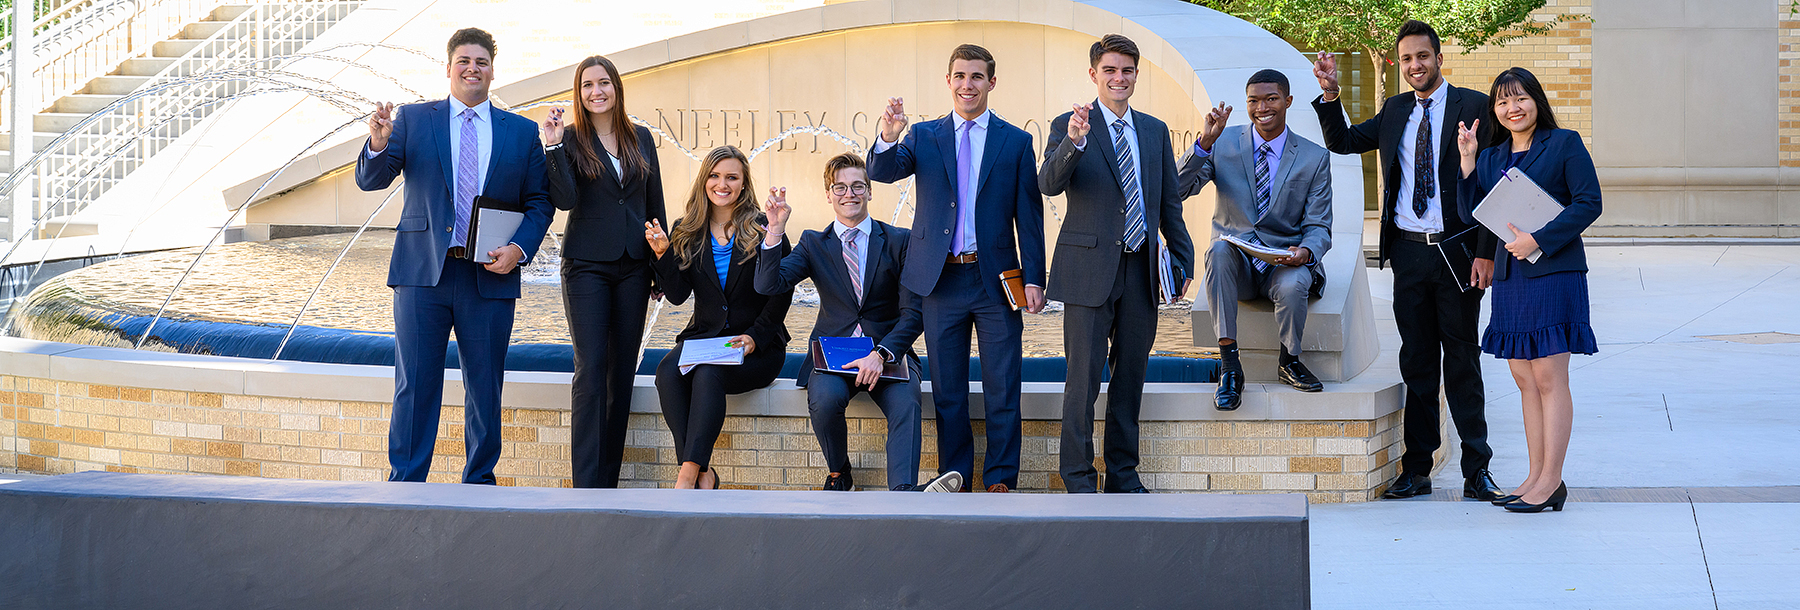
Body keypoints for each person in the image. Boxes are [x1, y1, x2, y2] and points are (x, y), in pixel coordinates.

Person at [1311, 20, 1505, 501]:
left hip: (1458, 253)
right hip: (1409, 254)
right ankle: (1416, 469)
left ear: (1440, 58)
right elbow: (1343, 142)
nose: (1415, 65)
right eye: (1406, 59)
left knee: (1462, 361)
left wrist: (1486, 252)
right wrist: (1332, 95)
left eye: (1423, 56)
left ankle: (1476, 470)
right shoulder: (1395, 108)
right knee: (1417, 361)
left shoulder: (1476, 107)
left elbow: (1495, 183)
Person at [356, 28, 554, 484]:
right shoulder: (412, 119)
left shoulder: (520, 132)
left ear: (491, 70)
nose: (472, 68)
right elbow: (372, 180)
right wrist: (379, 142)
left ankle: (479, 482)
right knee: (415, 384)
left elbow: (540, 202)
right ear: (448, 68)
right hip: (423, 272)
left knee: (484, 387)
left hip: (489, 275)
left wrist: (519, 249)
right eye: (464, 60)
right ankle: (406, 480)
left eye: (481, 61)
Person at [867, 44, 1047, 493]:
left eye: (977, 77)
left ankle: (1001, 479)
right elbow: (883, 172)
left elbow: (1030, 218)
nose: (968, 85)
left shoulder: (1016, 142)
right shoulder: (924, 136)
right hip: (939, 281)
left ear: (991, 82)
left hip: (996, 282)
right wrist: (889, 135)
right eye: (960, 76)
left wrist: (1036, 279)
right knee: (948, 393)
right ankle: (957, 479)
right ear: (949, 82)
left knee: (1003, 387)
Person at [1039, 34, 1194, 494]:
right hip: (1088, 273)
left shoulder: (1153, 129)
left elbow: (1169, 202)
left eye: (1126, 70)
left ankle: (1123, 475)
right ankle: (1079, 478)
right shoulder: (1070, 125)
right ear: (1094, 74)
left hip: (1141, 271)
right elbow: (1048, 183)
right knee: (1081, 382)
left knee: (1130, 379)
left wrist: (1182, 260)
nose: (1118, 78)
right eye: (1109, 70)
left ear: (1135, 75)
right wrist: (1073, 143)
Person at [755, 152, 961, 493]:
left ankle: (904, 493)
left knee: (907, 404)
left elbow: (914, 313)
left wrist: (881, 354)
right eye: (840, 187)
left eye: (857, 186)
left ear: (869, 191)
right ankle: (839, 474)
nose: (849, 194)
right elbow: (768, 284)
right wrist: (775, 232)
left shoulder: (898, 240)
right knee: (824, 400)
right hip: (834, 356)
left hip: (887, 355)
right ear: (828, 194)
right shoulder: (812, 243)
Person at [1455, 67, 1600, 513]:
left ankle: (1552, 480)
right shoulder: (1493, 157)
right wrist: (1467, 162)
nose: (1512, 108)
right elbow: (1472, 212)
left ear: (1536, 100)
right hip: (1512, 276)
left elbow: (1589, 202)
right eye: (1502, 102)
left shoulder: (1564, 144)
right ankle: (1536, 476)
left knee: (1549, 377)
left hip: (1554, 271)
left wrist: (1539, 238)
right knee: (1524, 378)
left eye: (1520, 99)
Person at [542, 55, 666, 489]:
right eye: (587, 85)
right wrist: (554, 147)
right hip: (587, 266)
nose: (596, 92)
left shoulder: (641, 138)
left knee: (621, 372)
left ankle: (607, 481)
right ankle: (586, 485)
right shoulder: (570, 139)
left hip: (633, 266)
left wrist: (659, 266)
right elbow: (563, 199)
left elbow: (655, 206)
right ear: (579, 93)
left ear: (616, 87)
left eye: (604, 83)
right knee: (591, 367)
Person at [1178, 69, 1332, 409]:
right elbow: (1177, 189)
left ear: (1287, 101)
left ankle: (1289, 361)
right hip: (1238, 263)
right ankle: (1230, 367)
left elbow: (1320, 225)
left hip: (1283, 262)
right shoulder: (1222, 143)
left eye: (1271, 99)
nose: (1262, 107)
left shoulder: (1313, 157)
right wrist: (1204, 143)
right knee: (1218, 249)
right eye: (1254, 101)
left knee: (1294, 285)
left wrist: (1306, 252)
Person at [644, 145, 792, 490]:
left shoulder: (763, 226)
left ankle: (686, 476)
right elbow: (678, 295)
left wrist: (756, 336)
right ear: (704, 181)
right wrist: (664, 253)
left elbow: (782, 292)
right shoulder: (687, 228)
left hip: (758, 346)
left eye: (731, 177)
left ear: (743, 184)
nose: (721, 184)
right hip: (707, 339)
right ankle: (703, 473)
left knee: (708, 375)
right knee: (667, 371)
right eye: (714, 175)